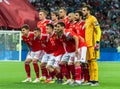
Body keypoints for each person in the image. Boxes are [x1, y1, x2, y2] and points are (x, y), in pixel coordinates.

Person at [82, 5, 101, 86]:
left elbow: (99, 30)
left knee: (93, 62)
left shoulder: (93, 18)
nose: (83, 12)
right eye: (82, 10)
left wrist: (97, 42)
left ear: (88, 11)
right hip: (87, 44)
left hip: (93, 44)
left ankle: (96, 80)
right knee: (89, 62)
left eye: (84, 10)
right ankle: (91, 79)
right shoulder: (86, 20)